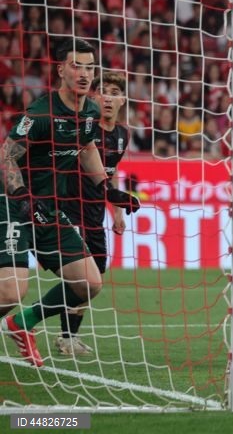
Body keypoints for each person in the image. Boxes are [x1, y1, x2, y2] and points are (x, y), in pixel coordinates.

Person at [0, 39, 140, 367]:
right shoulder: (41, 114)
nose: (84, 74)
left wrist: (108, 189)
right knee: (10, 293)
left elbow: (87, 147)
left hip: (49, 209)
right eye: (77, 66)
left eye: (90, 67)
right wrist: (21, 197)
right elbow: (6, 155)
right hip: (13, 206)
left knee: (89, 282)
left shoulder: (90, 111)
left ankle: (21, 323)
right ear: (61, 70)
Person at [56, 71, 130, 356]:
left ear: (123, 100)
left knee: (95, 279)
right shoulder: (84, 127)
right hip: (70, 209)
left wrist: (118, 213)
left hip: (96, 215)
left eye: (114, 93)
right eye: (103, 92)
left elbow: (112, 172)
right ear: (94, 97)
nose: (108, 98)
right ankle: (66, 337)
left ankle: (69, 336)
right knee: (81, 276)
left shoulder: (122, 135)